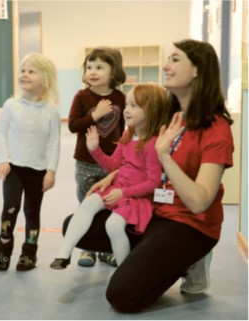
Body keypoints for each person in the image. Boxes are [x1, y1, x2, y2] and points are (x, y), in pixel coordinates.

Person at [62, 39, 234, 312]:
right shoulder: (169, 113)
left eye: (175, 59)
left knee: (122, 296)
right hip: (155, 209)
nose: (166, 65)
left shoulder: (216, 128)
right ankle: (167, 258)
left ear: (198, 70)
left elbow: (200, 201)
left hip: (190, 224)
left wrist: (166, 156)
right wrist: (115, 173)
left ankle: (192, 259)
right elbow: (139, 156)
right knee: (74, 225)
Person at [51, 84, 170, 270]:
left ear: (151, 111)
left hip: (135, 197)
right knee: (88, 203)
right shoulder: (128, 135)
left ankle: (124, 270)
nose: (126, 110)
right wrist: (95, 150)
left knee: (114, 225)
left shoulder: (152, 144)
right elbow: (113, 165)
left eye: (133, 106)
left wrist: (124, 193)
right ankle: (64, 254)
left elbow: (153, 183)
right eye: (127, 105)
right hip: (118, 187)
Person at [0, 52, 60, 272]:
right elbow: (1, 133)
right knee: (10, 209)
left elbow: (54, 143)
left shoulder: (51, 112)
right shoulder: (11, 105)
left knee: (32, 213)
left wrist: (51, 171)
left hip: (38, 172)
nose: (25, 74)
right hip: (14, 169)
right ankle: (3, 252)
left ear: (46, 79)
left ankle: (29, 254)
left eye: (32, 71)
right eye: (23, 70)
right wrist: (3, 160)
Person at [67, 47, 126, 268]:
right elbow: (73, 126)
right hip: (86, 162)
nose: (92, 71)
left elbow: (122, 129)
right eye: (89, 67)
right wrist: (95, 115)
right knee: (86, 204)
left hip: (111, 163)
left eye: (100, 67)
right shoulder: (82, 96)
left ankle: (106, 248)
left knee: (110, 204)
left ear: (114, 71)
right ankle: (88, 249)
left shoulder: (120, 97)